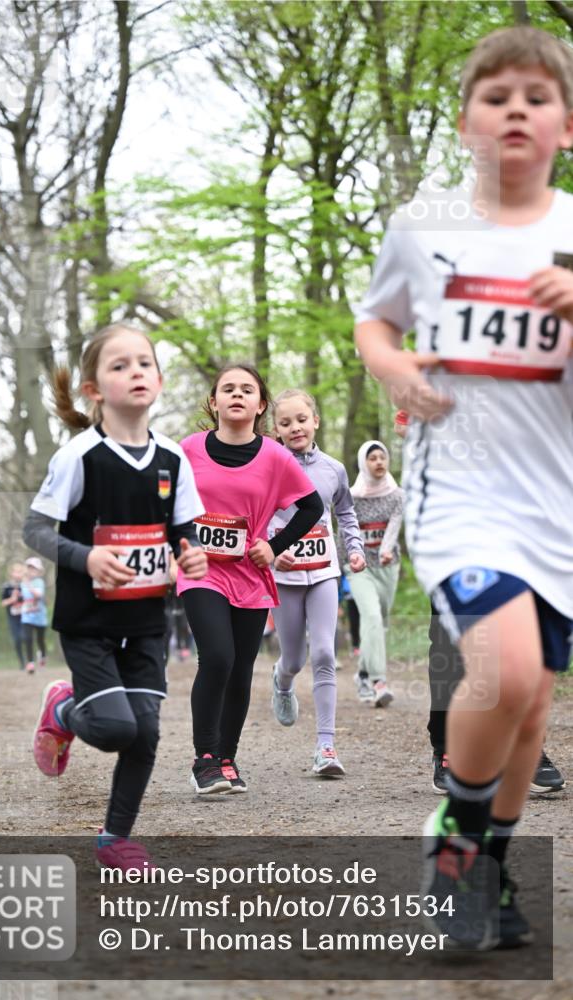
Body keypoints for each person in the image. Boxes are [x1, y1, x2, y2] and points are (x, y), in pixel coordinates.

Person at [355, 26, 573, 949]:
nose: (515, 108)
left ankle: (490, 870)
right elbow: (376, 322)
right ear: (464, 121)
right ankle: (452, 845)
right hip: (460, 493)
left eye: (536, 95)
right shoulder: (424, 228)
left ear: (567, 122)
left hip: (556, 504)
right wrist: (397, 375)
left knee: (529, 705)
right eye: (496, 95)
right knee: (506, 669)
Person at [24, 323, 207, 874]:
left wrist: (190, 555)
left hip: (149, 617)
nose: (136, 373)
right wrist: (87, 558)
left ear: (160, 378)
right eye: (120, 365)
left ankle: (115, 839)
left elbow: (184, 533)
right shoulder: (81, 456)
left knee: (145, 732)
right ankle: (62, 706)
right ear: (94, 389)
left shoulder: (173, 459)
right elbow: (36, 530)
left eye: (144, 363)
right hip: (89, 620)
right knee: (112, 728)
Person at [395, 412, 565, 797]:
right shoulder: (452, 365)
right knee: (452, 641)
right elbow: (407, 421)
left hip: (525, 512)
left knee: (526, 642)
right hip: (459, 514)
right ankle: (445, 747)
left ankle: (525, 744)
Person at [178, 364, 324, 795]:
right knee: (218, 657)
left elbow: (311, 508)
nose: (237, 395)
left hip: (249, 574)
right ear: (214, 401)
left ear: (261, 404)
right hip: (202, 572)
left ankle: (227, 758)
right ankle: (204, 758)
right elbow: (161, 500)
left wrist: (275, 547)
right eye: (228, 389)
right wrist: (180, 544)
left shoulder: (275, 457)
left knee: (241, 670)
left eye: (247, 389)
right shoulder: (188, 450)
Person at [268, 389, 365, 777]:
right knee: (294, 658)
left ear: (316, 421)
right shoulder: (268, 466)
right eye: (286, 422)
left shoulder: (333, 469)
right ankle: (282, 679)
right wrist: (273, 550)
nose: (295, 428)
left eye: (301, 420)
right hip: (284, 573)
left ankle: (326, 746)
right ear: (275, 429)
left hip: (324, 570)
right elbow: (254, 513)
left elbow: (346, 512)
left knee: (325, 653)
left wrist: (354, 547)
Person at [349, 441, 404, 707]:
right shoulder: (352, 497)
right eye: (373, 458)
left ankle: (361, 673)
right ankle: (378, 681)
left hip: (387, 565)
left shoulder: (397, 495)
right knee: (370, 616)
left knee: (378, 624)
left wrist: (386, 551)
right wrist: (345, 562)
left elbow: (393, 527)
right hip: (359, 568)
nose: (379, 462)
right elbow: (345, 532)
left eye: (383, 457)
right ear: (363, 463)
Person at [21, 556, 48, 672]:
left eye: (34, 569)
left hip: (40, 617)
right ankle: (30, 662)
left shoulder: (39, 582)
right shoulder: (22, 584)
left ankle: (42, 656)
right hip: (27, 616)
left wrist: (29, 586)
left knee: (40, 640)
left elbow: (38, 595)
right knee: (28, 638)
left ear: (38, 571)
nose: (32, 571)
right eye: (30, 568)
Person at [0, 561, 26, 670]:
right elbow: (3, 603)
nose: (18, 574)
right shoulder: (7, 587)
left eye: (20, 571)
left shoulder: (26, 585)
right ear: (11, 573)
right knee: (17, 639)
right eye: (16, 571)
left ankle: (31, 660)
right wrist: (12, 599)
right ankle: (22, 662)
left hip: (26, 616)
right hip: (13, 618)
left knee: (26, 637)